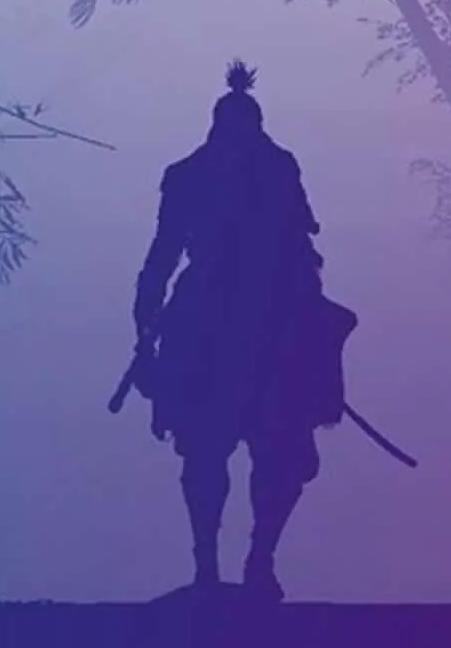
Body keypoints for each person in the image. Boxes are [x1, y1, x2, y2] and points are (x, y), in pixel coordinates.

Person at [130, 62, 357, 600]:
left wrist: (146, 322)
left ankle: (254, 559)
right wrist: (145, 325)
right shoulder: (199, 174)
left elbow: (300, 242)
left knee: (269, 452)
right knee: (209, 451)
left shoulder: (259, 168)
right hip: (221, 318)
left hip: (268, 315)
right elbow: (163, 254)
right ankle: (215, 564)